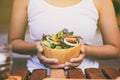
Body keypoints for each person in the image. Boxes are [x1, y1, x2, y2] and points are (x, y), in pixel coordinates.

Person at [8, 0, 120, 75]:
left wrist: (83, 49)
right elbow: (13, 42)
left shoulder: (102, 1)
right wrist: (38, 47)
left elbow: (116, 49)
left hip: (86, 73)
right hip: (36, 72)